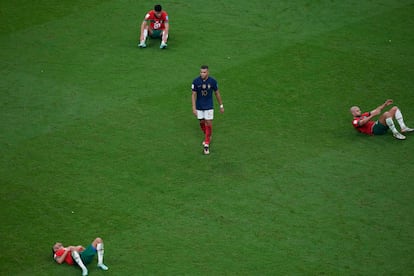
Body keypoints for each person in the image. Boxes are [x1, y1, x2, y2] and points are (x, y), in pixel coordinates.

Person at [192, 65, 224, 154]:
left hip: (209, 106)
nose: (202, 74)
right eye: (201, 72)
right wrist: (193, 107)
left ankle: (206, 144)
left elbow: (217, 93)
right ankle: (208, 135)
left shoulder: (213, 81)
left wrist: (221, 105)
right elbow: (193, 95)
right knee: (201, 122)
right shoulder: (196, 81)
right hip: (199, 106)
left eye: (204, 72)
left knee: (208, 122)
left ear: (208, 72)